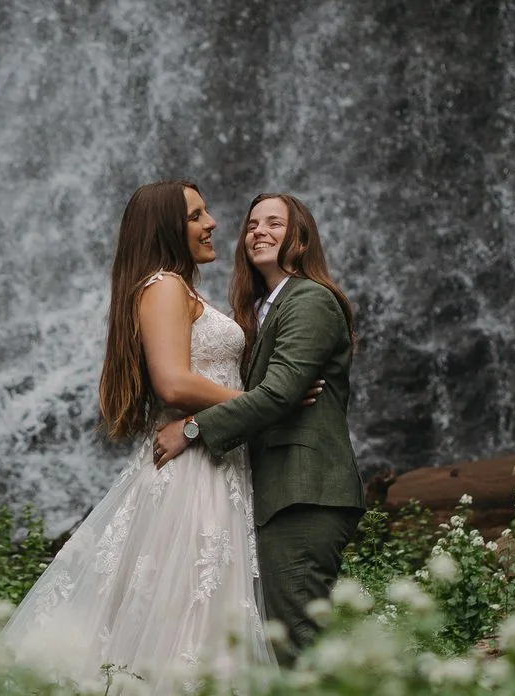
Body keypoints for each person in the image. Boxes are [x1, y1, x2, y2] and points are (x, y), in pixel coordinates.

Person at [1, 181, 277, 696]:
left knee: (191, 598)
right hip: (195, 469)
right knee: (186, 599)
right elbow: (172, 382)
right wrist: (268, 401)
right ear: (168, 227)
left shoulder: (178, 288)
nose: (213, 222)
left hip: (211, 457)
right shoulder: (165, 285)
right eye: (197, 215)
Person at [151, 192, 360, 665]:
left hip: (305, 489)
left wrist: (191, 429)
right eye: (251, 225)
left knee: (297, 636)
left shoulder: (310, 299)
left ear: (301, 239)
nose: (258, 232)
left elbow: (281, 394)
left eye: (275, 224)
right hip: (273, 491)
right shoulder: (264, 308)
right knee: (280, 634)